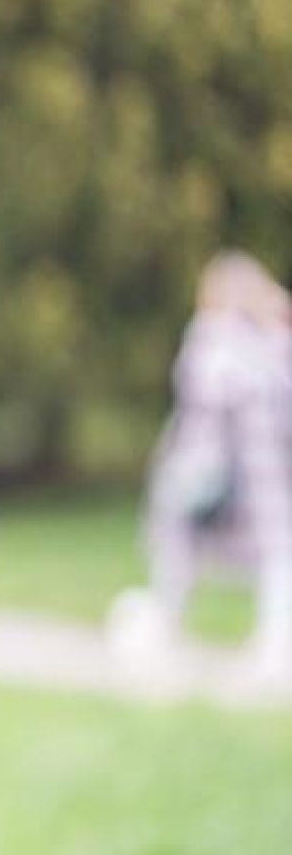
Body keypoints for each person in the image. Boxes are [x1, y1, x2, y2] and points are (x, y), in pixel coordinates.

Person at [128, 250, 292, 683]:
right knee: (181, 545)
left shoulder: (265, 341)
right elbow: (207, 389)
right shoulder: (214, 339)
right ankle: (165, 624)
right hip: (213, 470)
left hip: (261, 471)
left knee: (276, 553)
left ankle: (276, 642)